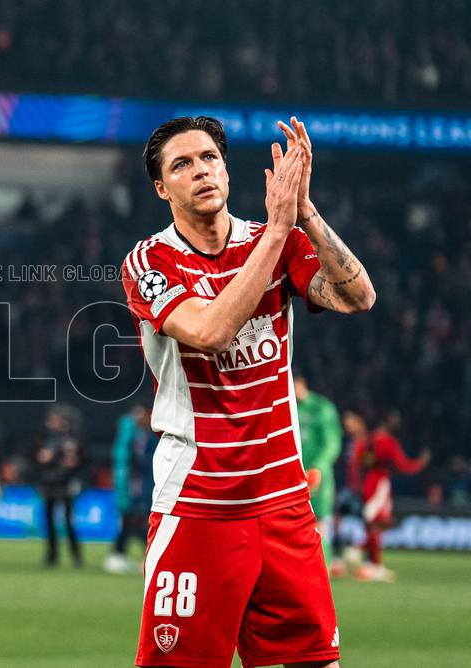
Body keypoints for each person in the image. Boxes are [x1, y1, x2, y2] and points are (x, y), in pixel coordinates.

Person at [121, 116, 375, 667]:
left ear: (228, 170)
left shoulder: (274, 240)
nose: (201, 171)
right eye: (182, 165)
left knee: (316, 661)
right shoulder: (150, 262)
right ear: (163, 188)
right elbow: (210, 332)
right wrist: (281, 231)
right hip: (198, 503)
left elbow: (358, 297)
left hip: (284, 502)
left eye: (210, 158)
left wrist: (303, 212)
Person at [349, 410, 429, 582]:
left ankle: (367, 560)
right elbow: (403, 465)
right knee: (380, 524)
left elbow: (359, 462)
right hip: (380, 485)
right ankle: (369, 562)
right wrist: (421, 463)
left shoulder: (369, 440)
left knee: (374, 524)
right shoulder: (389, 443)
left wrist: (356, 483)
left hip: (368, 483)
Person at [294, 374, 342, 567]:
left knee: (319, 522)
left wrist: (317, 468)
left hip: (317, 477)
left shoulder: (322, 408)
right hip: (292, 476)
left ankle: (323, 567)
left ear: (301, 383)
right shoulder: (287, 405)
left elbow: (332, 443)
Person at [104, 405, 158, 575]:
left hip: (143, 486)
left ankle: (122, 554)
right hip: (135, 486)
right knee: (133, 520)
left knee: (136, 521)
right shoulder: (134, 435)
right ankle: (127, 554)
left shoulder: (148, 435)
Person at [35, 404, 83, 568]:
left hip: (64, 483)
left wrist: (52, 457)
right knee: (49, 521)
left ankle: (76, 555)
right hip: (50, 483)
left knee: (68, 521)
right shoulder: (48, 437)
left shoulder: (71, 439)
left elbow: (74, 461)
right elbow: (39, 458)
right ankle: (52, 556)